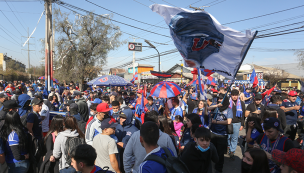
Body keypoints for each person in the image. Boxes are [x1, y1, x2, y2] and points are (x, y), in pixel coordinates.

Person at [210, 94, 233, 173]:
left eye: (221, 99)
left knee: (220, 153)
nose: (220, 100)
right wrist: (216, 105)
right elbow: (207, 108)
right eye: (219, 99)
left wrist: (216, 122)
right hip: (213, 132)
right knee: (211, 150)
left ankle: (218, 169)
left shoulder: (229, 110)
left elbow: (229, 122)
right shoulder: (216, 108)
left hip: (222, 135)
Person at [228, 89, 245, 160]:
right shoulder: (227, 102)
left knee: (234, 138)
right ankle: (228, 146)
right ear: (231, 95)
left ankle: (232, 151)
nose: (234, 97)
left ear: (238, 95)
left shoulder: (241, 103)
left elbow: (243, 115)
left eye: (236, 95)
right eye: (233, 95)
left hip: (237, 123)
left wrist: (242, 124)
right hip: (228, 122)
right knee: (228, 137)